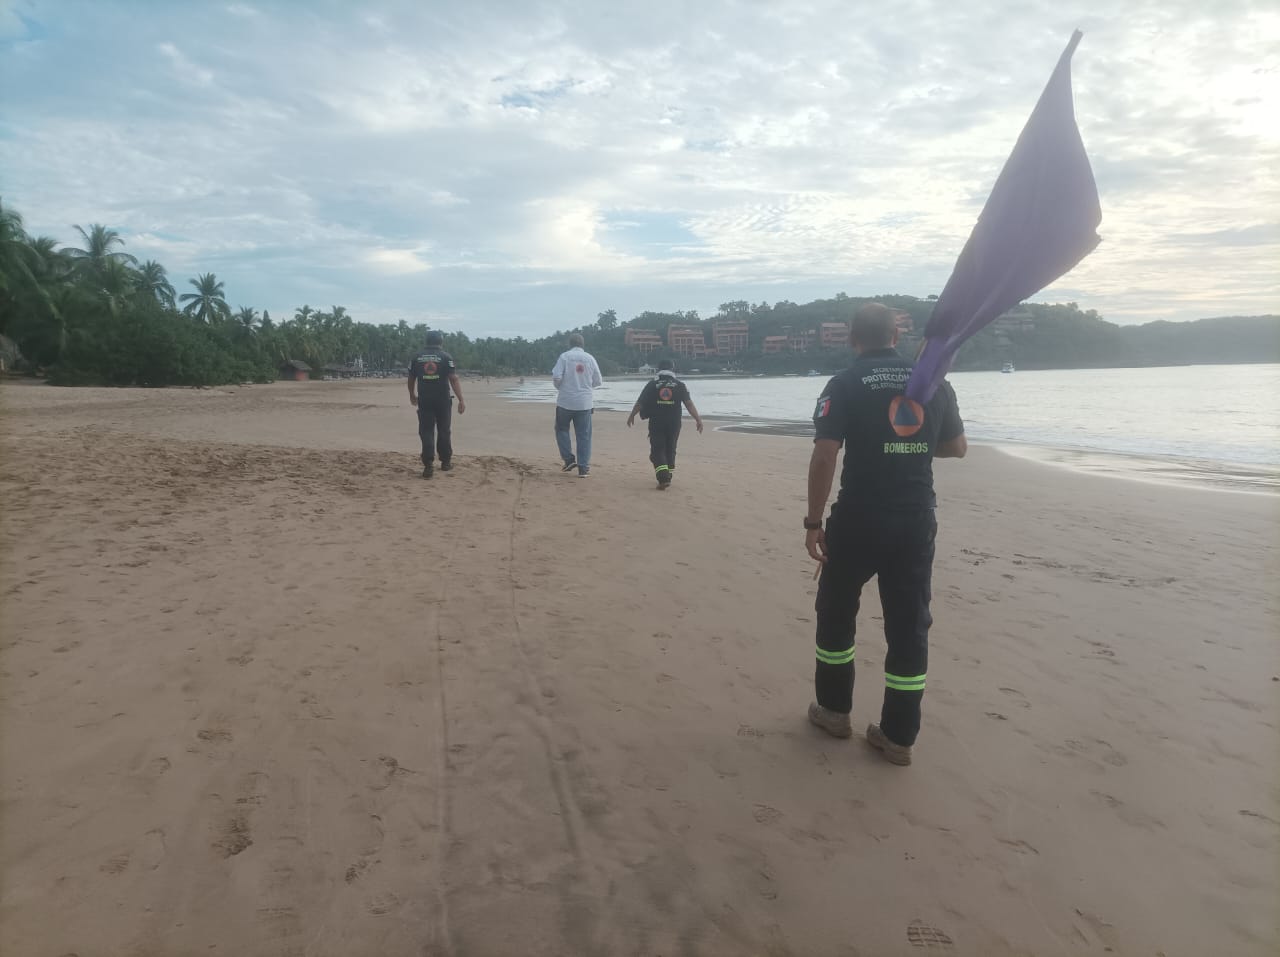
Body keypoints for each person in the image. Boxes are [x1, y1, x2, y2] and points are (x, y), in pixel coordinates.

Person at [803, 303, 966, 766]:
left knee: (836, 613)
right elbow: (957, 448)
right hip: (914, 520)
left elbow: (824, 455)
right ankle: (898, 737)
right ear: (896, 336)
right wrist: (910, 444)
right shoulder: (932, 381)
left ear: (853, 338)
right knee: (909, 625)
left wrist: (813, 522)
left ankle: (834, 712)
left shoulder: (845, 384)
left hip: (858, 518)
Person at [626, 358, 704, 489]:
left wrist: (632, 415)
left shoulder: (652, 384)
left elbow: (640, 403)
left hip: (657, 422)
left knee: (657, 450)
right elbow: (689, 404)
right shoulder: (679, 385)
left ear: (658, 369)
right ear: (673, 369)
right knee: (671, 448)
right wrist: (698, 419)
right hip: (674, 422)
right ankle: (668, 475)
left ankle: (663, 478)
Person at [408, 330, 466, 479]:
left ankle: (428, 465)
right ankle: (445, 462)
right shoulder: (446, 357)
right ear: (441, 342)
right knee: (444, 430)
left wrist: (412, 395)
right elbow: (453, 379)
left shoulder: (417, 357)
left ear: (426, 341)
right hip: (442, 399)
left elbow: (411, 378)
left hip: (425, 399)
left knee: (426, 431)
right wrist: (461, 399)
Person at [551, 333, 603, 477]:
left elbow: (556, 377)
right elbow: (598, 381)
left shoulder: (564, 357)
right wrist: (586, 387)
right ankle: (583, 468)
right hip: (584, 403)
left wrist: (561, 387)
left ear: (570, 344)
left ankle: (568, 459)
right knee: (584, 435)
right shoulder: (590, 358)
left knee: (561, 430)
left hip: (565, 401)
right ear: (582, 344)